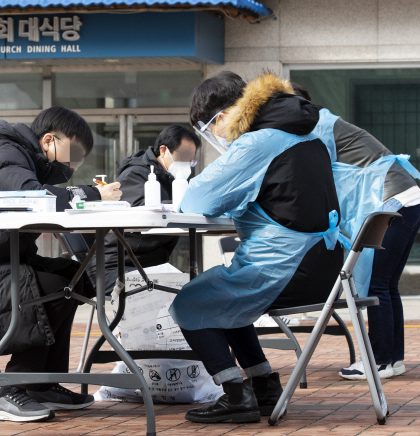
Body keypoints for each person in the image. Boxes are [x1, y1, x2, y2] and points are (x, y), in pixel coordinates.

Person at [0, 106, 122, 422]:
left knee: (75, 277)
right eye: (72, 155)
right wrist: (93, 194)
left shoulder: (23, 158)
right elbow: (27, 197)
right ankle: (11, 387)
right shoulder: (3, 152)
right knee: (55, 287)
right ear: (47, 141)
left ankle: (41, 384)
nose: (73, 165)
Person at [168, 71, 345, 424]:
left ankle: (235, 395)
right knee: (224, 301)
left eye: (208, 128)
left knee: (189, 303)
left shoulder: (258, 142)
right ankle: (263, 385)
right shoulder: (308, 135)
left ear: (221, 116)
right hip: (323, 264)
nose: (213, 137)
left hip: (286, 268)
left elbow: (197, 199)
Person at [291, 82, 420, 380]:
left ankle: (378, 362)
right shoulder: (326, 123)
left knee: (377, 284)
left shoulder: (318, 128)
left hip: (393, 201)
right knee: (386, 284)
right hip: (408, 200)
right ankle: (392, 360)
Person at [86, 124, 201, 291]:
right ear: (163, 150)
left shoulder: (171, 179)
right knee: (185, 288)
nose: (187, 164)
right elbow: (144, 213)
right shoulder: (136, 174)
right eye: (183, 157)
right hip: (116, 267)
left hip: (147, 264)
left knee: (195, 284)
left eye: (191, 160)